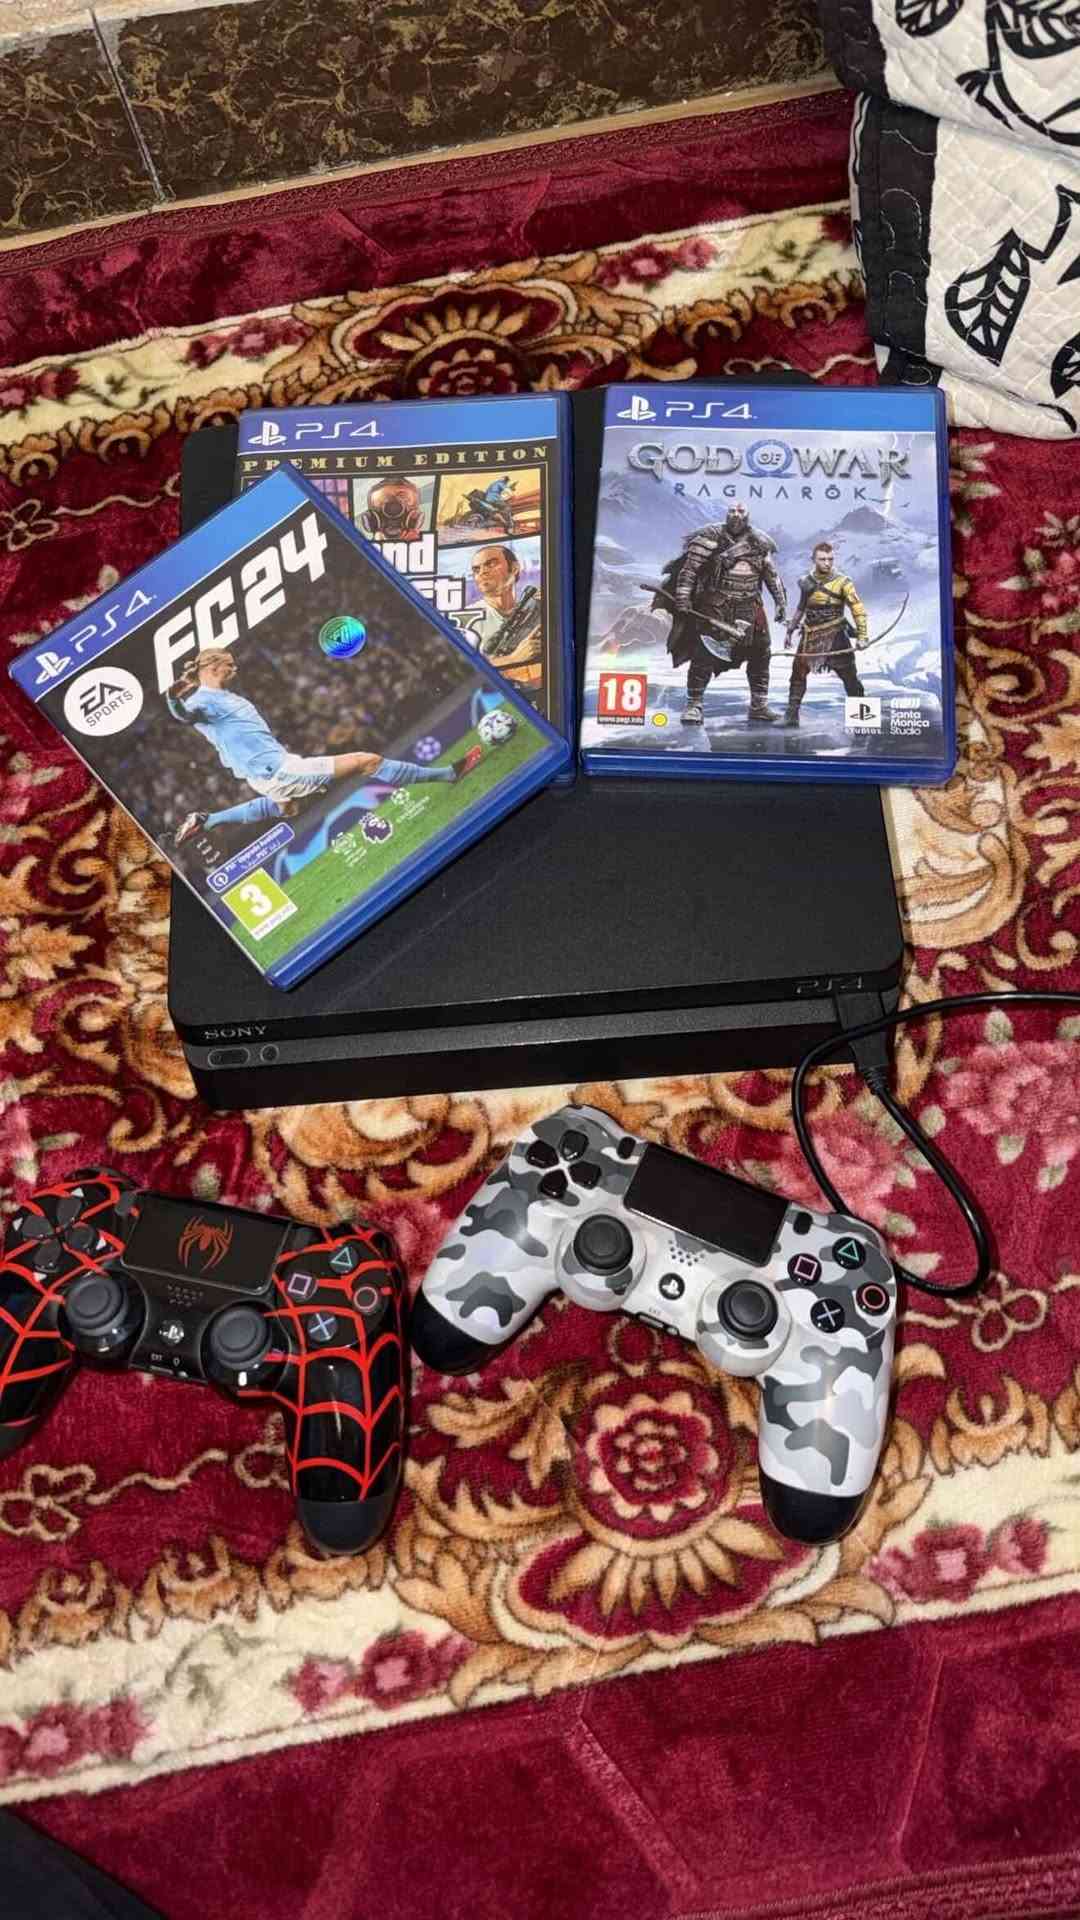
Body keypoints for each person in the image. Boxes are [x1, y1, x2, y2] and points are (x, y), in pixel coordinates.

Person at [168, 648, 482, 849]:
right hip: (277, 770)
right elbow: (184, 716)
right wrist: (173, 698)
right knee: (367, 761)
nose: (234, 668)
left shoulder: (224, 696)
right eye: (229, 664)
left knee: (288, 809)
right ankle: (448, 774)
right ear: (213, 666)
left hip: (270, 769)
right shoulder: (199, 700)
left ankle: (208, 820)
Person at [656, 502, 785, 727]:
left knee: (761, 653)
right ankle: (694, 705)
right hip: (717, 606)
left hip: (751, 606)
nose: (736, 515)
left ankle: (759, 706)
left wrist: (780, 602)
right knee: (704, 655)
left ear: (747, 515)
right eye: (732, 511)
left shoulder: (759, 542)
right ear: (726, 515)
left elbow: (771, 575)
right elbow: (689, 571)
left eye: (741, 512)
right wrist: (684, 597)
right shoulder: (709, 538)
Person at [783, 540, 869, 727]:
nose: (827, 563)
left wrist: (862, 636)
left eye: (830, 559)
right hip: (811, 636)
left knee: (850, 679)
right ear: (814, 560)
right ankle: (791, 717)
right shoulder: (806, 582)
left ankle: (863, 721)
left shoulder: (843, 582)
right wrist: (790, 630)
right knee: (797, 675)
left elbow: (857, 608)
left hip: (836, 636)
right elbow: (801, 607)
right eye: (822, 559)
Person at [466, 545, 542, 691]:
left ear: (514, 568)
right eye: (476, 570)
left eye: (491, 564)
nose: (482, 572)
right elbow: (468, 672)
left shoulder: (532, 607)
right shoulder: (470, 618)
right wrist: (513, 659)